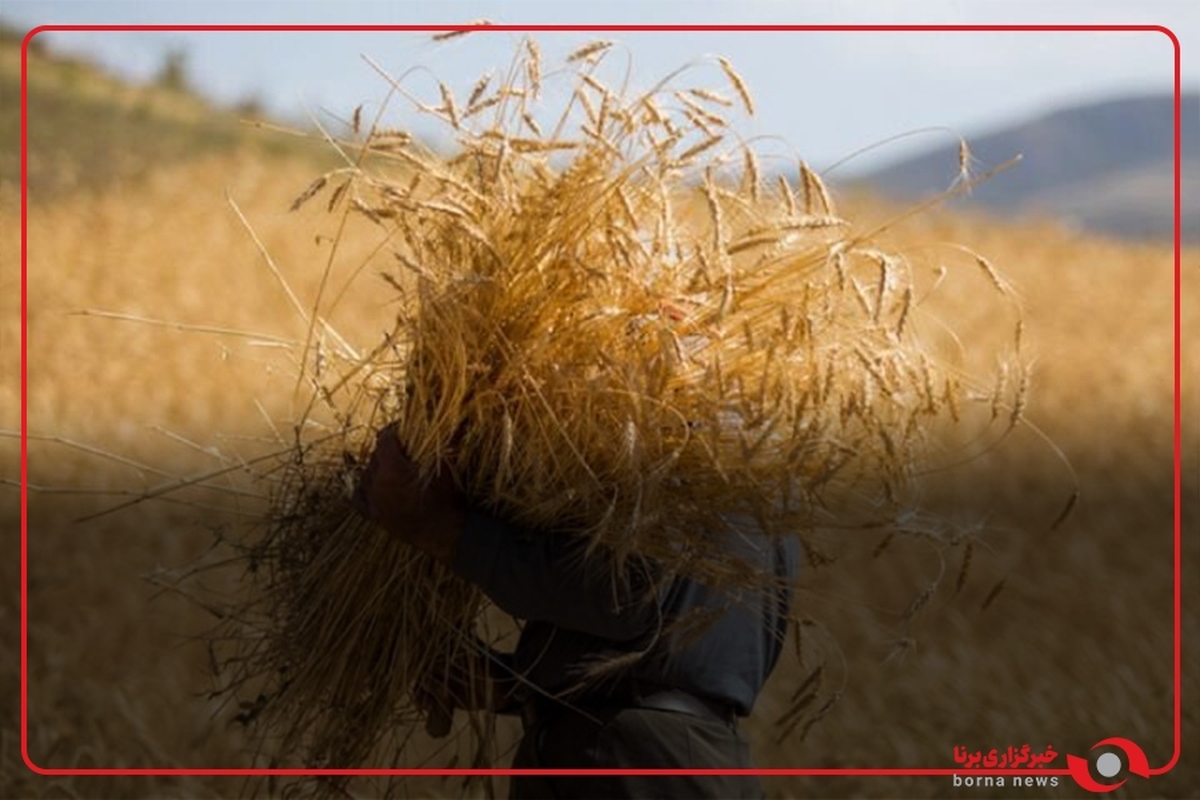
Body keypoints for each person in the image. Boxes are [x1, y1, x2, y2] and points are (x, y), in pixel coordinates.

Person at [356, 423, 799, 799]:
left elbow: (625, 594)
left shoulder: (665, 433)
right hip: (675, 763)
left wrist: (440, 530)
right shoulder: (757, 454)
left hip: (629, 765)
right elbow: (691, 649)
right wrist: (519, 685)